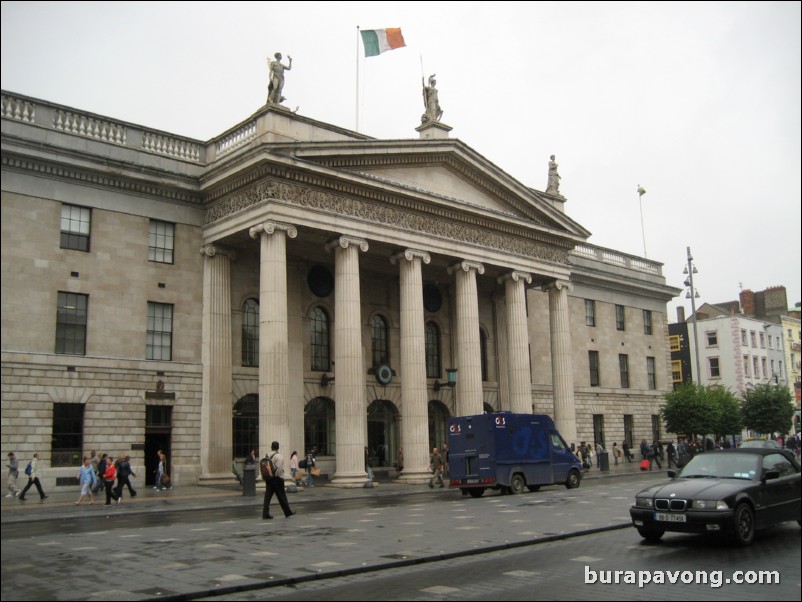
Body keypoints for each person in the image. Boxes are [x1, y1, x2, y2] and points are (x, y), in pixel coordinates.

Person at [262, 441, 295, 520]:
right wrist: (279, 476)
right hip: (277, 478)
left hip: (269, 479)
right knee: (282, 496)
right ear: (278, 447)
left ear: (271, 447)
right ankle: (287, 512)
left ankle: (265, 514)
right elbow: (279, 468)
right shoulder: (278, 456)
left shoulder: (266, 455)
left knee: (267, 497)